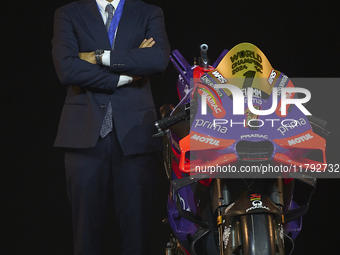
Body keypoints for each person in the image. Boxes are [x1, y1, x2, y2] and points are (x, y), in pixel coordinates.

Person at [51, 0, 170, 254]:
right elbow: (67, 68)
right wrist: (126, 75)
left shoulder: (149, 13)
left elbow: (158, 59)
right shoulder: (68, 13)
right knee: (85, 237)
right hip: (84, 137)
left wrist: (97, 57)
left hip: (136, 136)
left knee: (137, 237)